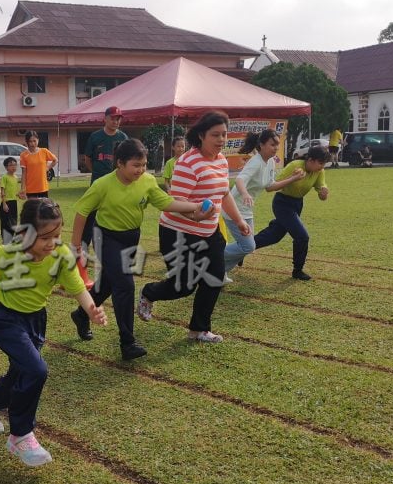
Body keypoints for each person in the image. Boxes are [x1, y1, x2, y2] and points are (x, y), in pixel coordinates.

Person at [0, 198, 106, 467]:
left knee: (20, 374)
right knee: (36, 370)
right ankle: (21, 435)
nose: (51, 243)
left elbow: (77, 287)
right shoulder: (10, 254)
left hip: (35, 321)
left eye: (56, 235)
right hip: (5, 319)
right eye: (44, 237)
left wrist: (92, 309)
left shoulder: (61, 256)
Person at [70, 138, 213, 360]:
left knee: (109, 282)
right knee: (125, 285)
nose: (141, 169)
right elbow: (81, 212)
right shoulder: (102, 185)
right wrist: (77, 246)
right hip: (106, 237)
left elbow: (166, 203)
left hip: (130, 237)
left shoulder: (146, 181)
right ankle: (127, 342)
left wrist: (195, 207)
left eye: (144, 164)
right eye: (135, 165)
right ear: (120, 163)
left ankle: (81, 314)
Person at [137, 111, 251, 343]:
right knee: (183, 286)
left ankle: (199, 329)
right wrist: (196, 215)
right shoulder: (187, 163)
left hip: (209, 232)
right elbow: (175, 204)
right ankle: (149, 292)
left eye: (224, 135)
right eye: (215, 135)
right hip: (179, 233)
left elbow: (224, 193)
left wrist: (239, 220)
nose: (221, 140)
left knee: (214, 279)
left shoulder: (220, 160)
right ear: (201, 135)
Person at [222, 130, 306, 279]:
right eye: (272, 144)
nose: (275, 148)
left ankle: (219, 272)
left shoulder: (271, 162)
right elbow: (240, 180)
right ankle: (212, 257)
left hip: (246, 210)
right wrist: (245, 194)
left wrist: (292, 179)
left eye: (277, 145)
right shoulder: (255, 162)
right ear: (261, 145)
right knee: (248, 246)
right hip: (233, 208)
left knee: (247, 247)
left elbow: (269, 187)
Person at [251, 146, 331, 280]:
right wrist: (293, 178)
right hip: (282, 203)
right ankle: (297, 270)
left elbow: (322, 193)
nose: (322, 167)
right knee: (302, 236)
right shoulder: (295, 165)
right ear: (310, 160)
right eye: (321, 163)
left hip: (297, 204)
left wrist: (323, 193)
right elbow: (273, 185)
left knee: (274, 235)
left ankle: (242, 249)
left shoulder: (319, 171)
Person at [81, 106, 127, 247]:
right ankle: (83, 246)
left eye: (118, 118)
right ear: (105, 118)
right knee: (91, 214)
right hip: (97, 183)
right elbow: (87, 159)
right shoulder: (95, 137)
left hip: (116, 184)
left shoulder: (123, 138)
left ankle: (110, 244)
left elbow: (126, 161)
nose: (116, 121)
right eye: (113, 118)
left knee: (113, 214)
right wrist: (96, 172)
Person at [19, 130, 57, 199]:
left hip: (43, 188)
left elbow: (55, 160)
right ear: (27, 142)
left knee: (43, 208)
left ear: (38, 140)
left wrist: (47, 168)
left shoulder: (44, 151)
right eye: (30, 141)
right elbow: (24, 173)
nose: (32, 143)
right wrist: (22, 189)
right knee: (32, 209)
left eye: (34, 141)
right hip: (30, 189)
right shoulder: (23, 155)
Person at [0, 157, 20, 243]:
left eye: (15, 165)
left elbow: (15, 190)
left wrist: (19, 194)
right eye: (11, 165)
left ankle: (11, 238)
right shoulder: (5, 177)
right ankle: (5, 240)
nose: (13, 167)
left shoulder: (16, 177)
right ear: (6, 167)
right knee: (6, 222)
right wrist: (4, 203)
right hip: (6, 203)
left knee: (13, 221)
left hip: (14, 202)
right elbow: (2, 191)